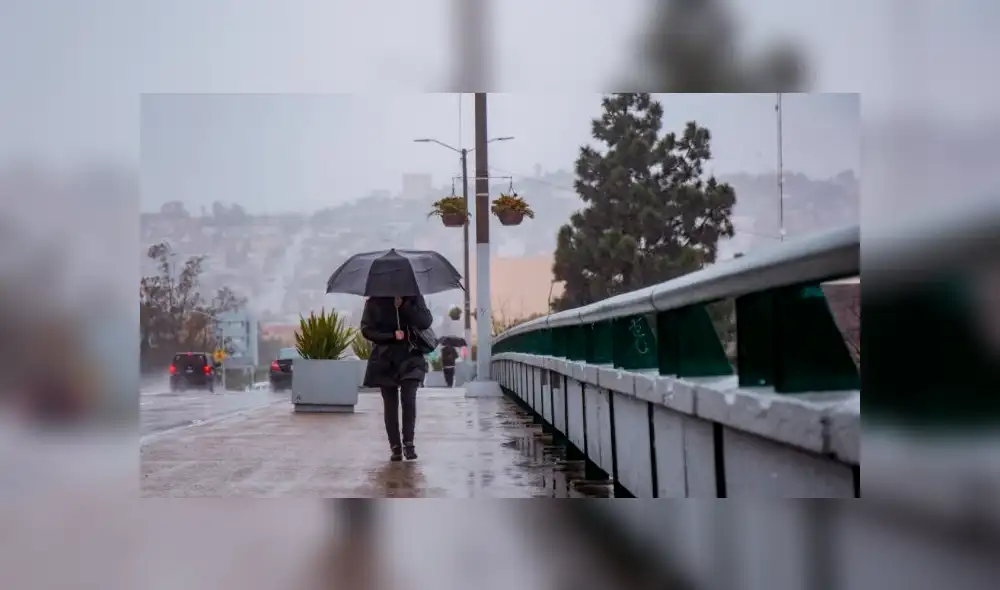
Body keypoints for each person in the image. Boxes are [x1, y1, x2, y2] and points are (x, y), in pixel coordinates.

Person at [360, 294, 433, 461]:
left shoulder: (414, 297)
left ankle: (409, 444)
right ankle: (395, 446)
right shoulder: (374, 302)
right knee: (390, 404)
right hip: (385, 359)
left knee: (409, 399)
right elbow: (366, 329)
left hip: (411, 357)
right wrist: (392, 335)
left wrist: (405, 306)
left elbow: (426, 322)